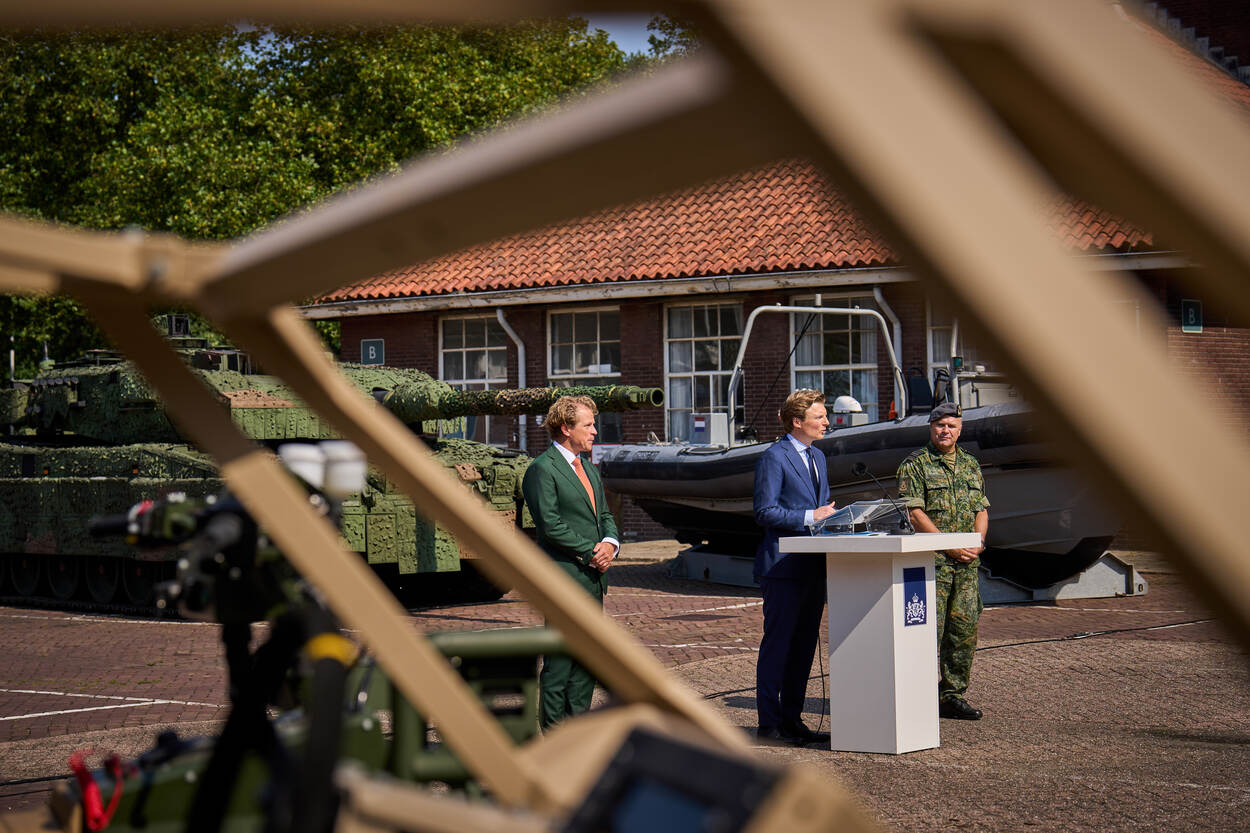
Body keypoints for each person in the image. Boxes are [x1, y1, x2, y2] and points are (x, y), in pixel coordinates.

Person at [522, 394, 619, 729]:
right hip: (565, 578)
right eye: (588, 425)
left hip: (593, 580)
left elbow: (604, 515)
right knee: (560, 663)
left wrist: (610, 543)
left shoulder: (589, 469)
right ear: (565, 428)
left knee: (586, 662)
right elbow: (549, 526)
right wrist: (592, 551)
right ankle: (553, 737)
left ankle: (578, 733)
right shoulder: (541, 470)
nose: (594, 431)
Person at [752, 389, 838, 744]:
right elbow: (764, 511)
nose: (826, 422)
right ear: (797, 421)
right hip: (783, 568)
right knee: (779, 647)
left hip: (813, 568)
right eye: (819, 417)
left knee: (804, 648)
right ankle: (768, 724)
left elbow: (823, 510)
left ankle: (793, 720)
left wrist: (834, 518)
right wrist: (810, 516)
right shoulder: (775, 457)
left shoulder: (818, 457)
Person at [896, 402, 990, 720]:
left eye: (951, 425)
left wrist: (977, 542)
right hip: (932, 563)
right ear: (930, 428)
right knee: (926, 633)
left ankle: (951, 695)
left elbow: (981, 509)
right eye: (939, 425)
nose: (944, 430)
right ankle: (917, 696)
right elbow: (914, 512)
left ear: (960, 429)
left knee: (962, 631)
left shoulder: (970, 465)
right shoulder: (915, 464)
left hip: (966, 565)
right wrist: (947, 545)